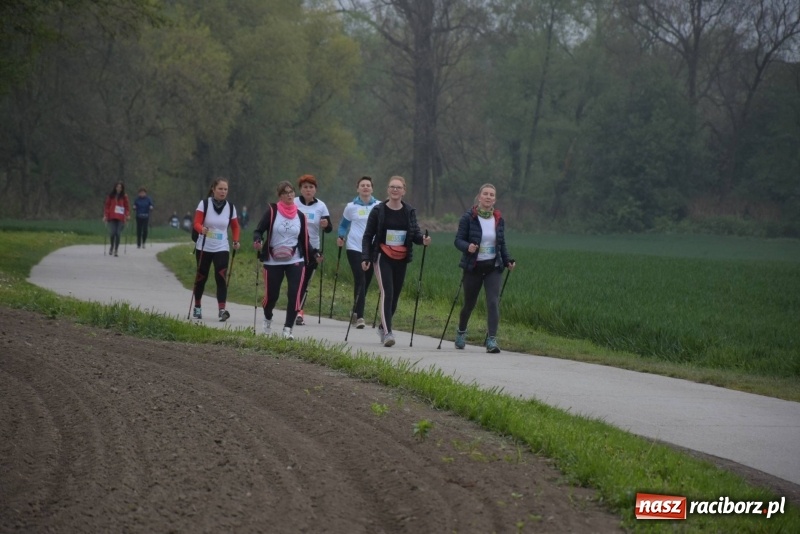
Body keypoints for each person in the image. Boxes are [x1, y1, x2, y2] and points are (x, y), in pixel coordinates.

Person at [362, 176, 432, 347]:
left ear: (403, 191)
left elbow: (414, 234)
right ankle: (388, 333)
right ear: (388, 190)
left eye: (398, 187)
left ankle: (382, 326)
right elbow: (368, 236)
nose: (395, 190)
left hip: (401, 257)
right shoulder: (378, 211)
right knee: (387, 293)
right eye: (392, 187)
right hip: (382, 256)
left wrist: (422, 239)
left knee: (395, 297)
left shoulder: (409, 211)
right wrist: (365, 257)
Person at [253, 181, 320, 339]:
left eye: (291, 192)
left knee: (294, 293)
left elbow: (305, 240)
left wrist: (314, 253)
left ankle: (287, 329)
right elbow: (258, 230)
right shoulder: (272, 211)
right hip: (273, 261)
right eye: (285, 193)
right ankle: (268, 318)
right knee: (271, 297)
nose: (289, 195)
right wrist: (258, 240)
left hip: (295, 260)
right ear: (280, 196)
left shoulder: (300, 216)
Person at [453, 183, 516, 353]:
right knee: (469, 304)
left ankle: (492, 340)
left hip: (493, 267)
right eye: (485, 194)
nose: (488, 197)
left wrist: (508, 259)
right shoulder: (468, 217)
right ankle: (461, 332)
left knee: (493, 302)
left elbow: (501, 243)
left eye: (491, 195)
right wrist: (468, 247)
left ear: (494, 199)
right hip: (473, 267)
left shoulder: (498, 219)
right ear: (479, 197)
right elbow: (458, 240)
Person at [192, 178, 241, 322]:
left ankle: (221, 310)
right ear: (213, 189)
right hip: (204, 246)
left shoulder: (230, 207)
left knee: (221, 277)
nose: (223, 192)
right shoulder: (204, 204)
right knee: (201, 277)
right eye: (220, 189)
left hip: (221, 247)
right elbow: (196, 223)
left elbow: (235, 226)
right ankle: (197, 306)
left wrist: (236, 241)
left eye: (225, 189)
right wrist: (202, 229)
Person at [337, 176, 380, 329]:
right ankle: (360, 317)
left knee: (365, 281)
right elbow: (343, 226)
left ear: (372, 188)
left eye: (368, 185)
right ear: (358, 189)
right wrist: (341, 236)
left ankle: (355, 310)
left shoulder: (379, 206)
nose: (365, 187)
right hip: (354, 246)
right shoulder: (351, 207)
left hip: (371, 248)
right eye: (362, 185)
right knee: (360, 278)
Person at [293, 174, 332, 325]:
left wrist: (325, 225)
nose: (308, 190)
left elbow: (329, 228)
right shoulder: (294, 203)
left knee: (306, 281)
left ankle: (299, 311)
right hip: (295, 247)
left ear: (315, 190)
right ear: (300, 189)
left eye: (311, 187)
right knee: (297, 280)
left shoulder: (321, 206)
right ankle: (295, 308)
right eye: (305, 187)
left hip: (313, 248)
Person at [102, 181, 130, 257]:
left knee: (118, 233)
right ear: (115, 187)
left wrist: (127, 215)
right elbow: (107, 206)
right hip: (112, 217)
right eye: (117, 187)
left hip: (121, 217)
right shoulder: (111, 196)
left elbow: (127, 207)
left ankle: (116, 250)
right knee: (113, 233)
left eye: (120, 187)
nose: (119, 188)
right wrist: (105, 215)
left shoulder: (124, 196)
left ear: (122, 188)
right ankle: (111, 246)